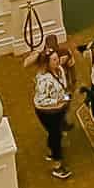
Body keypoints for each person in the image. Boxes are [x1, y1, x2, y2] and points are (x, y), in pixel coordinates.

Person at [32, 46, 74, 179]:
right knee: (56, 135)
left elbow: (63, 85)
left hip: (58, 109)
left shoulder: (60, 70)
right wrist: (58, 100)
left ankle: (51, 152)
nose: (58, 61)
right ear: (47, 63)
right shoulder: (43, 80)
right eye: (54, 60)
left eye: (57, 58)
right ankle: (57, 165)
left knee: (54, 132)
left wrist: (63, 99)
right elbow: (41, 100)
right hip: (47, 113)